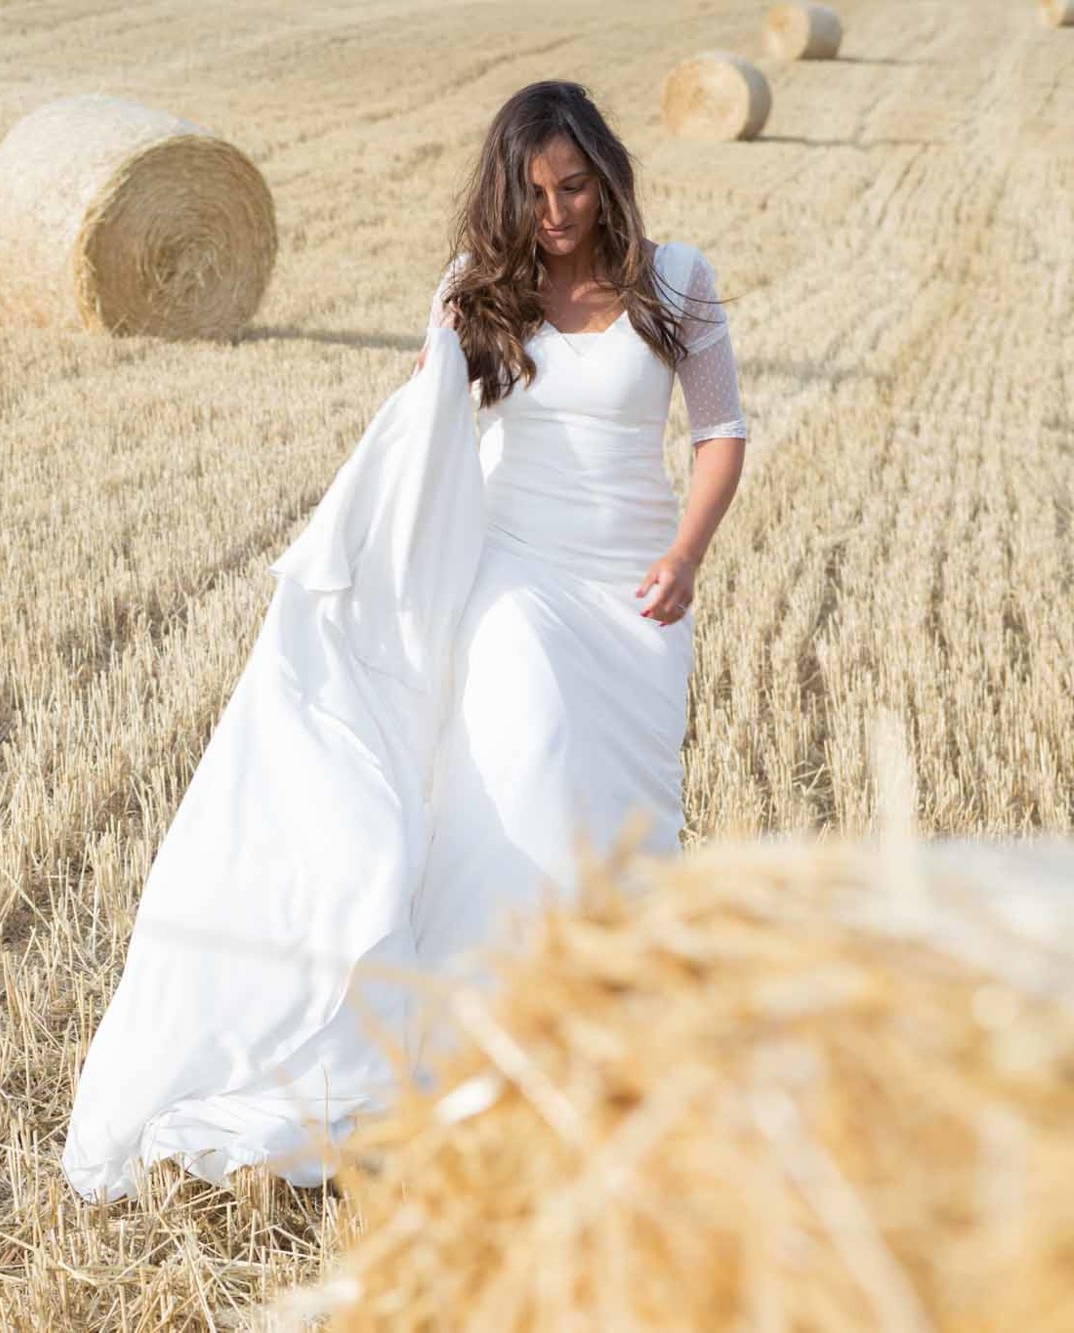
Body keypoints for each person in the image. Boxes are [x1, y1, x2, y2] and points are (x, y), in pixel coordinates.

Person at [60, 79, 748, 1205]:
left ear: (609, 175)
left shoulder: (674, 280)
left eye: (573, 186)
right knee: (526, 761)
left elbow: (718, 433)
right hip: (515, 578)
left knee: (619, 823)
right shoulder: (478, 294)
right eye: (531, 193)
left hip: (634, 597)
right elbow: (419, 440)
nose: (555, 212)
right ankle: (482, 1042)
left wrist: (686, 553)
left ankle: (591, 1043)